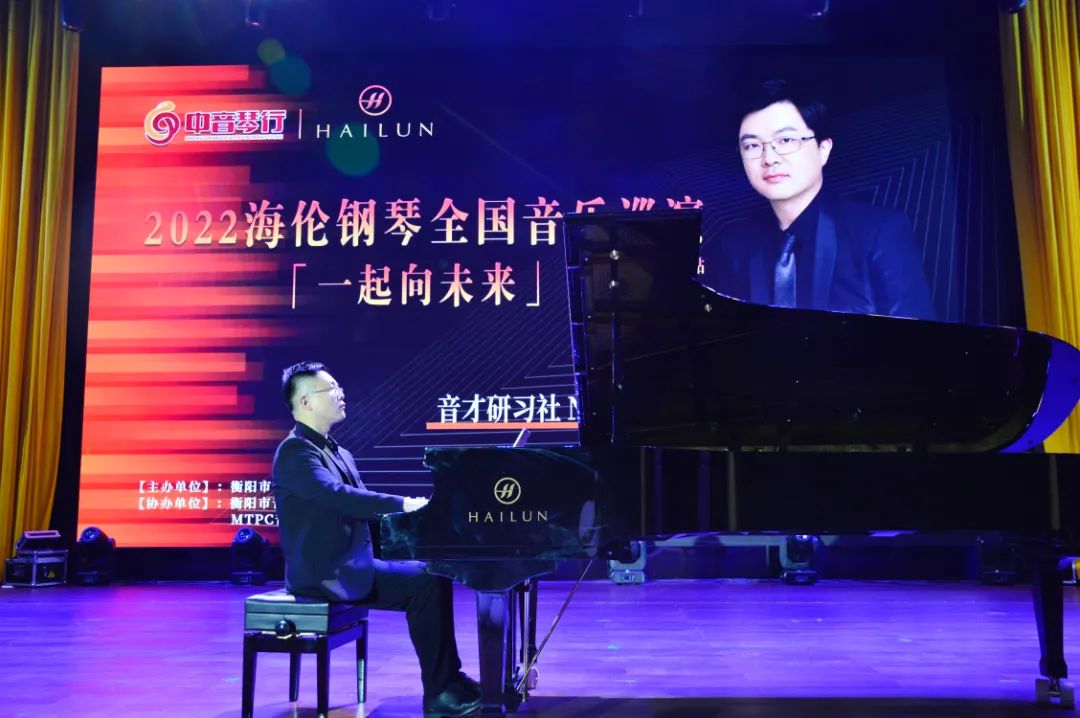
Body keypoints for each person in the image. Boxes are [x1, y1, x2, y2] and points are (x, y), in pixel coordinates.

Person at [271, 361, 481, 717]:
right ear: (305, 402)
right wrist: (405, 503)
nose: (341, 394)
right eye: (331, 389)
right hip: (324, 572)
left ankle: (450, 679)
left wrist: (424, 524)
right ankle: (439, 694)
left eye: (338, 387)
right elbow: (337, 496)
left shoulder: (338, 452)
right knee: (427, 582)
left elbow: (366, 513)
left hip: (350, 559)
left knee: (432, 571)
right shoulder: (296, 451)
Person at [699, 79, 937, 320]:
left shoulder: (879, 232)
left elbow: (917, 337)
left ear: (823, 149)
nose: (769, 158)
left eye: (785, 140)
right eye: (752, 145)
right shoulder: (731, 246)